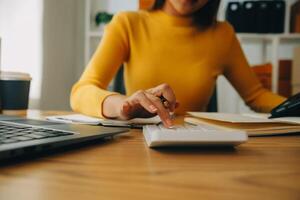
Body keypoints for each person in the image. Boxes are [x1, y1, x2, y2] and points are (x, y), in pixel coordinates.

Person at [70, 0, 286, 127]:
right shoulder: (128, 23)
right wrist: (123, 106)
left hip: (201, 151)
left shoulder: (222, 34)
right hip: (136, 146)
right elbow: (81, 92)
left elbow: (257, 96)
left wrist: (293, 105)